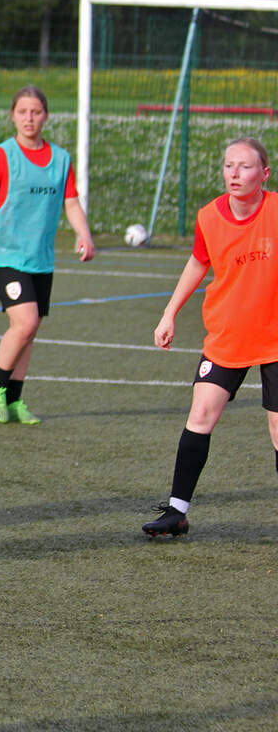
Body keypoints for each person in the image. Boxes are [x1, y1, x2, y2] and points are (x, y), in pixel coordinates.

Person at [143, 137, 278, 537]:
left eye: (245, 166)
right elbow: (198, 262)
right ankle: (176, 511)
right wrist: (169, 313)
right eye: (228, 166)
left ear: (265, 174)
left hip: (275, 336)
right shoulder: (209, 217)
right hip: (228, 333)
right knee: (200, 415)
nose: (234, 174)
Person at [0, 85, 95, 424]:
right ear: (12, 115)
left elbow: (70, 202)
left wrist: (84, 233)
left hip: (41, 259)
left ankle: (14, 401)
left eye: (35, 112)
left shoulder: (61, 159)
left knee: (30, 329)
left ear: (46, 116)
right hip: (5, 257)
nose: (29, 118)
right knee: (26, 322)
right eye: (22, 112)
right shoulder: (1, 156)